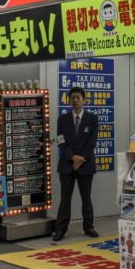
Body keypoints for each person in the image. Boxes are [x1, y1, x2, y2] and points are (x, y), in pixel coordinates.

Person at [52, 86, 98, 242]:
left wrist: (80, 159)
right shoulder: (62, 119)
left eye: (78, 97)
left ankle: (89, 227)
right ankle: (60, 229)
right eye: (73, 98)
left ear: (84, 100)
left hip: (86, 165)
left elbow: (92, 142)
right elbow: (60, 141)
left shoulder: (92, 119)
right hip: (66, 164)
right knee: (65, 198)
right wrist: (73, 158)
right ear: (69, 100)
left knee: (87, 198)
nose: (75, 100)